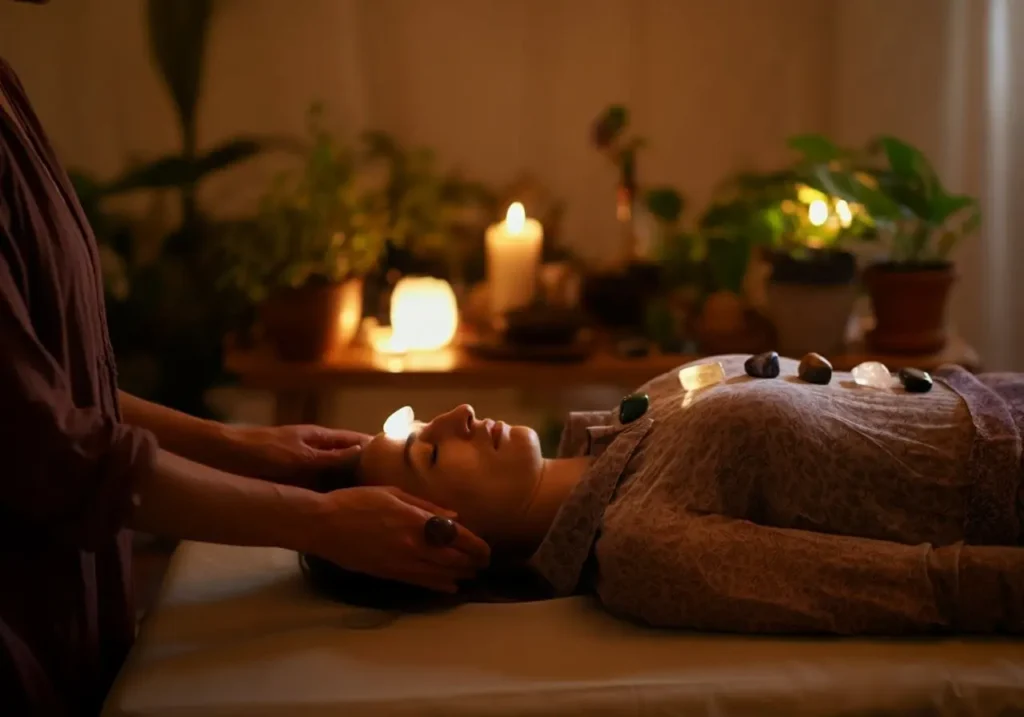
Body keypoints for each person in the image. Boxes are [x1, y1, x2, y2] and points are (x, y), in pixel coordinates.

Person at [0, 40, 489, 717]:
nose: (462, 413)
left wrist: (237, 446)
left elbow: (53, 390)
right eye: (425, 453)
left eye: (423, 451)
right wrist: (318, 521)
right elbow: (40, 441)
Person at [306, 354, 1024, 636]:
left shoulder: (639, 408)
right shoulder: (645, 544)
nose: (459, 415)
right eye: (430, 451)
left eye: (425, 422)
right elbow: (918, 586)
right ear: (448, 540)